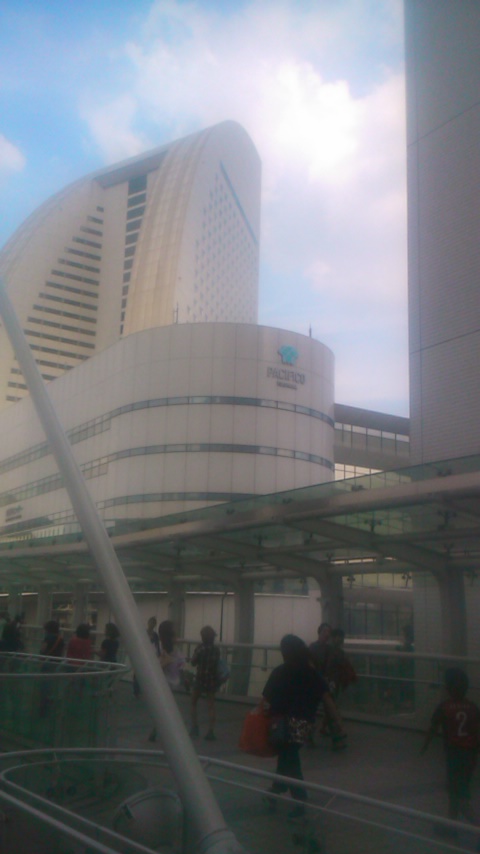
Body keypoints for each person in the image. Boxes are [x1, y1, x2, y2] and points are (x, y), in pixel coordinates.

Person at [262, 634, 346, 818]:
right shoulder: (311, 673)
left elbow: (266, 699)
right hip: (304, 724)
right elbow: (327, 698)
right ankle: (276, 790)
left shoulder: (280, 672)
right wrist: (338, 722)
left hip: (281, 724)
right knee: (288, 757)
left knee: (290, 760)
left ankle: (298, 800)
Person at [421, 667, 480, 833]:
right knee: (458, 789)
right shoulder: (473, 707)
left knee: (458, 794)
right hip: (470, 756)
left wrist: (424, 746)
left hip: (454, 755)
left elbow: (433, 729)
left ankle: (476, 825)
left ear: (447, 687)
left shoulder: (444, 707)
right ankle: (452, 824)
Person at [148, 620, 185, 742]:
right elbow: (180, 667)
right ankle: (168, 733)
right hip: (170, 684)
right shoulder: (174, 652)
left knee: (163, 709)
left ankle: (157, 729)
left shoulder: (157, 649)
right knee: (170, 710)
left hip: (162, 684)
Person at [190, 625, 220, 741]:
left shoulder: (200, 649)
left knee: (193, 702)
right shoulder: (216, 650)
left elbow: (193, 662)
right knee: (211, 705)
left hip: (200, 678)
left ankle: (195, 727)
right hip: (211, 680)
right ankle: (211, 731)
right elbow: (217, 663)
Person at [133, 616, 160, 697]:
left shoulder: (154, 635)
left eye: (153, 623)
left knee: (147, 673)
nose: (152, 624)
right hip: (142, 655)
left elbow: (157, 646)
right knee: (139, 672)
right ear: (148, 623)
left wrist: (158, 655)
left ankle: (142, 690)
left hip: (150, 656)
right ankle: (136, 690)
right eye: (151, 622)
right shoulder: (143, 633)